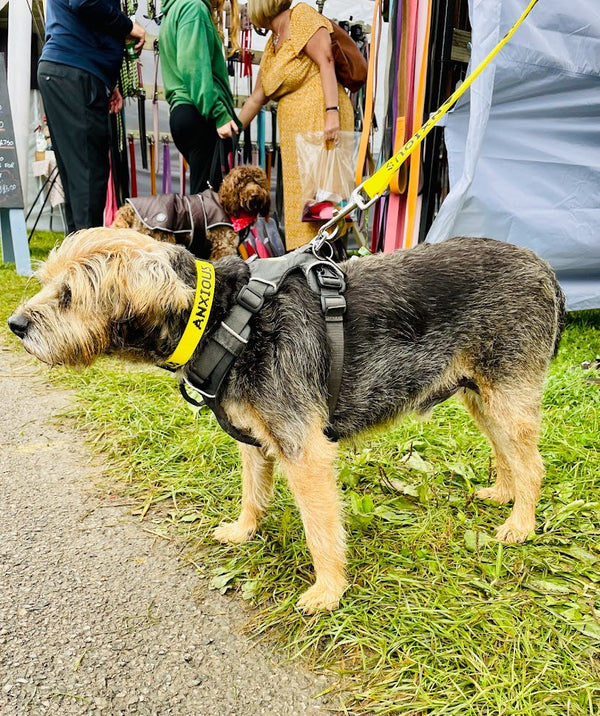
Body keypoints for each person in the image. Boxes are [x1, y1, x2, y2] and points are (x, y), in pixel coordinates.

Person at [239, 0, 354, 250]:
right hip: (296, 140)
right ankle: (307, 264)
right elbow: (258, 95)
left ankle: (329, 264)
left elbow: (326, 59)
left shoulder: (301, 15)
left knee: (323, 207)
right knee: (302, 212)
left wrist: (332, 113)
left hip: (319, 125)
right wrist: (232, 129)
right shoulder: (273, 44)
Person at [37, 0, 145, 234]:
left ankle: (75, 257)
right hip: (75, 68)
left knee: (77, 178)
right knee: (88, 178)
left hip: (68, 69)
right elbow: (84, 2)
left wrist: (107, 80)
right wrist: (128, 26)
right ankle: (87, 262)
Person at [159, 0, 242, 194]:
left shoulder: (175, 9)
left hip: (187, 110)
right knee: (208, 203)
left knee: (204, 196)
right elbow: (192, 67)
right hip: (199, 112)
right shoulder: (193, 7)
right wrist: (219, 113)